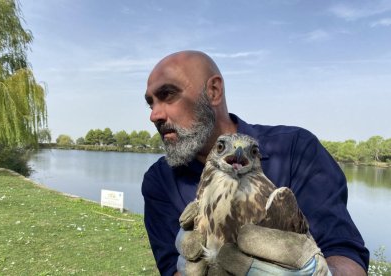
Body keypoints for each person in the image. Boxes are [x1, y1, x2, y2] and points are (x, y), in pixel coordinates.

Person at [142, 50, 369, 275]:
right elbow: (173, 269)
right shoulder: (160, 180)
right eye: (151, 104)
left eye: (168, 95)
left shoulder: (296, 150)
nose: (154, 115)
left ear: (213, 91)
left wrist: (321, 273)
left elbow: (346, 253)